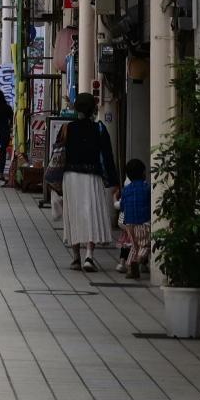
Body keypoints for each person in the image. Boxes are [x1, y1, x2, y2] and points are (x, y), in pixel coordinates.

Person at [61, 92, 118, 272]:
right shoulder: (99, 129)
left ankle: (75, 256)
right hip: (92, 176)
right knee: (91, 213)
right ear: (93, 109)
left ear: (76, 108)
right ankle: (89, 256)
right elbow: (108, 157)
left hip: (70, 177)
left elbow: (58, 153)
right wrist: (114, 182)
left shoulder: (67, 128)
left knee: (73, 214)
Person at [118, 158, 151, 279]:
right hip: (143, 222)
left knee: (134, 246)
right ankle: (137, 261)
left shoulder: (126, 190)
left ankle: (130, 267)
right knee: (145, 245)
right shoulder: (147, 188)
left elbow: (122, 206)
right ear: (143, 173)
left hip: (129, 223)